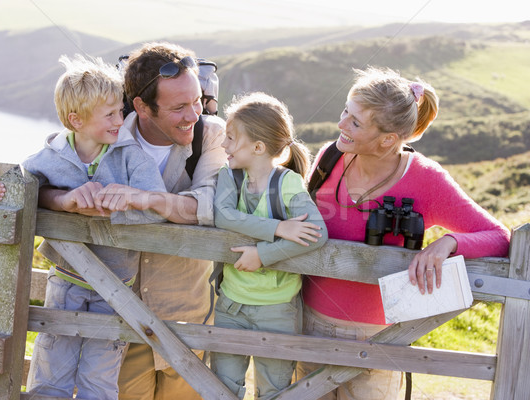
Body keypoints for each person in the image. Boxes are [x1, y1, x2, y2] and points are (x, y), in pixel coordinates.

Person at [296, 66, 511, 399]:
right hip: (308, 326)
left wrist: (449, 243)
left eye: (355, 122)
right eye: (345, 112)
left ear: (387, 139)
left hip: (380, 340)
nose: (340, 125)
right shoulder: (331, 156)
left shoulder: (426, 179)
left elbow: (499, 237)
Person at [32, 42, 227, 400]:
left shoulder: (210, 134)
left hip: (184, 310)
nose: (194, 115)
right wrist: (65, 202)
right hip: (116, 308)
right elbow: (46, 178)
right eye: (179, 107)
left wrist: (146, 198)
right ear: (140, 106)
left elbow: (211, 204)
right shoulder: (106, 126)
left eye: (198, 100)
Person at [0, 54, 167, 399]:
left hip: (116, 288)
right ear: (75, 120)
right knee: (53, 370)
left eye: (119, 110)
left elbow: (159, 204)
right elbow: (18, 186)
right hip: (65, 283)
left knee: (100, 379)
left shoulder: (131, 156)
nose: (120, 119)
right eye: (109, 114)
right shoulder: (51, 156)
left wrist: (128, 202)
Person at [211, 92, 328, 399]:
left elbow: (318, 232)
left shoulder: (288, 183)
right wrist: (278, 228)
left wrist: (263, 255)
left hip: (277, 310)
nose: (224, 145)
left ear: (258, 147)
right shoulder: (229, 176)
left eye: (231, 138)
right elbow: (224, 216)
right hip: (230, 305)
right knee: (220, 388)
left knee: (275, 391)